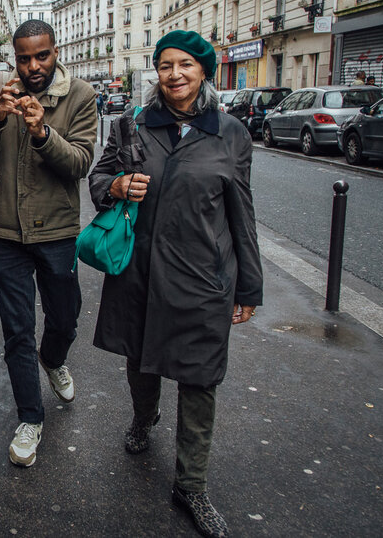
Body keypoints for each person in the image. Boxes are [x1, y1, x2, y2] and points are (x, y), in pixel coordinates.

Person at [88, 30, 263, 538]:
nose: (175, 74)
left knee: (200, 378)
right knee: (140, 358)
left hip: (204, 276)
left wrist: (248, 286)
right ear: (157, 73)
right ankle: (144, 419)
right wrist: (117, 185)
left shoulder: (230, 133)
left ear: (203, 70)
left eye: (186, 64)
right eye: (166, 65)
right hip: (140, 271)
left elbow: (242, 214)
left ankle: (191, 485)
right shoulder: (133, 125)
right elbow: (98, 181)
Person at [0, 19, 97, 467]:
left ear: (56, 51)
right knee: (17, 329)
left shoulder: (80, 96)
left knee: (65, 317)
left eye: (42, 55)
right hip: (4, 231)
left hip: (57, 231)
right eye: (24, 58)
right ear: (14, 57)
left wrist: (42, 133)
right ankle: (30, 418)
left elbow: (79, 163)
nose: (33, 66)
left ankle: (54, 357)